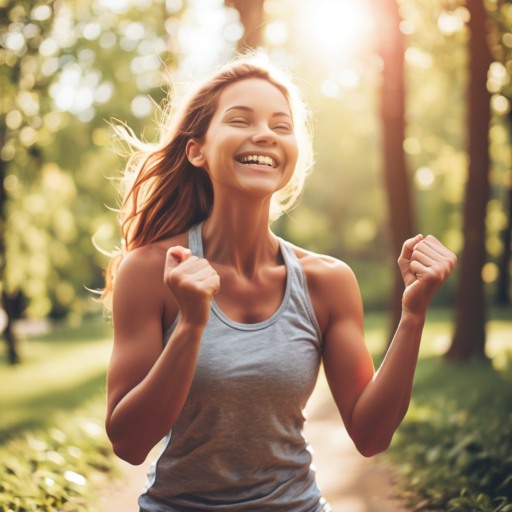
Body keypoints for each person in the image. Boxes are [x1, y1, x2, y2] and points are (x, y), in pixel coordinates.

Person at [97, 52, 457, 512]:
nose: (264, 134)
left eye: (281, 126)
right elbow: (128, 442)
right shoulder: (150, 270)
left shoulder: (328, 281)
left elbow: (371, 435)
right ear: (197, 150)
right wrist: (189, 326)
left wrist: (413, 314)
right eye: (240, 120)